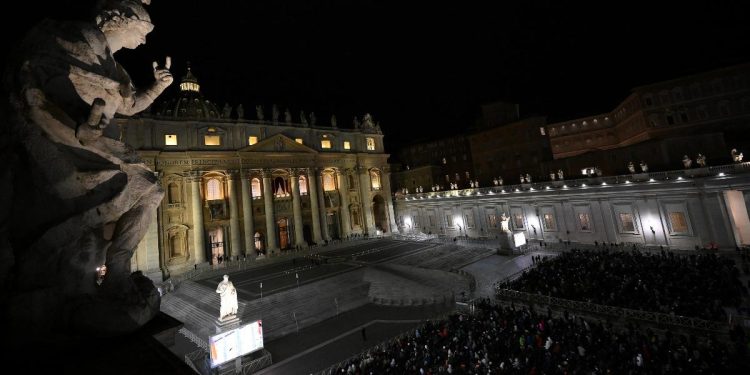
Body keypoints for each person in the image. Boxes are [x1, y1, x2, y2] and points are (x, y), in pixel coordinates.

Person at [2, 0, 172, 335]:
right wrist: (77, 129)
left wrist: (157, 87)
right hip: (58, 142)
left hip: (90, 143)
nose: (145, 40)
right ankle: (114, 270)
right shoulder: (71, 39)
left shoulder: (112, 66)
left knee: (150, 188)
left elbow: (130, 103)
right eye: (143, 29)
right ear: (116, 19)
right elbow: (32, 91)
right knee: (147, 187)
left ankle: (117, 268)